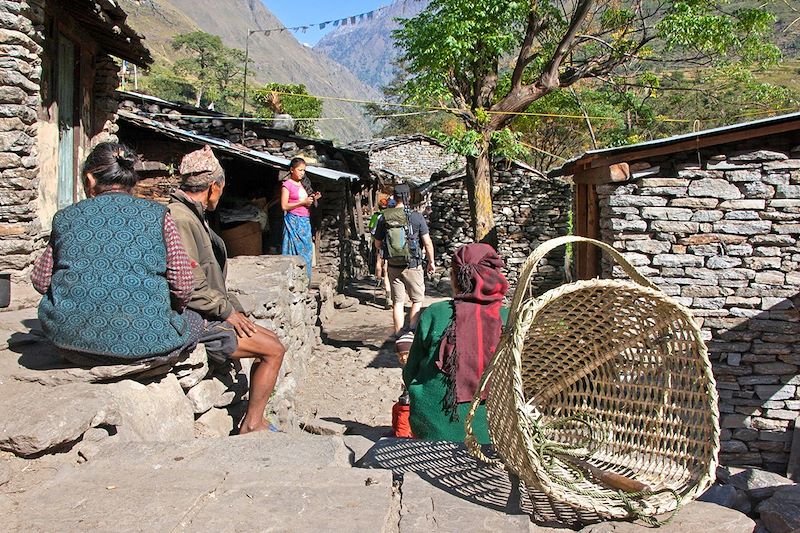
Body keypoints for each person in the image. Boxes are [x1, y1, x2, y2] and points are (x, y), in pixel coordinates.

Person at [31, 142, 200, 366]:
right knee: (198, 320)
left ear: (90, 179)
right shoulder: (158, 216)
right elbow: (182, 285)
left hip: (71, 344)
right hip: (149, 344)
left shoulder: (65, 218)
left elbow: (41, 281)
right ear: (131, 180)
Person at [168, 145, 286, 435]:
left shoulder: (191, 215)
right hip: (193, 315)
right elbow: (189, 283)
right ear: (213, 187)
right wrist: (226, 311)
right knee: (273, 349)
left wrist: (231, 304)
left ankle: (253, 419)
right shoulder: (182, 219)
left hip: (207, 307)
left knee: (271, 338)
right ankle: (252, 424)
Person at [402, 243, 509, 443]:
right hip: (497, 435)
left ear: (455, 277)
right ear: (494, 277)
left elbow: (410, 372)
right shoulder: (509, 320)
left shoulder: (436, 313)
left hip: (432, 430)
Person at [373, 183, 435, 334]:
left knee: (398, 302)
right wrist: (431, 262)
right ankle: (412, 330)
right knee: (417, 299)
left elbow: (377, 243)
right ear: (408, 197)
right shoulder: (416, 217)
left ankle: (399, 334)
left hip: (393, 265)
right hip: (413, 264)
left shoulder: (384, 217)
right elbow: (427, 242)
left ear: (394, 197)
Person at [281, 157, 320, 281]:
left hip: (304, 221)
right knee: (292, 250)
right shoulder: (287, 185)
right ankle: (292, 279)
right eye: (300, 170)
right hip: (293, 221)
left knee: (307, 252)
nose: (302, 173)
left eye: (304, 170)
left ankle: (305, 280)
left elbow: (306, 202)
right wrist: (302, 203)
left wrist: (313, 199)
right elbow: (284, 206)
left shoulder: (304, 184)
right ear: (292, 170)